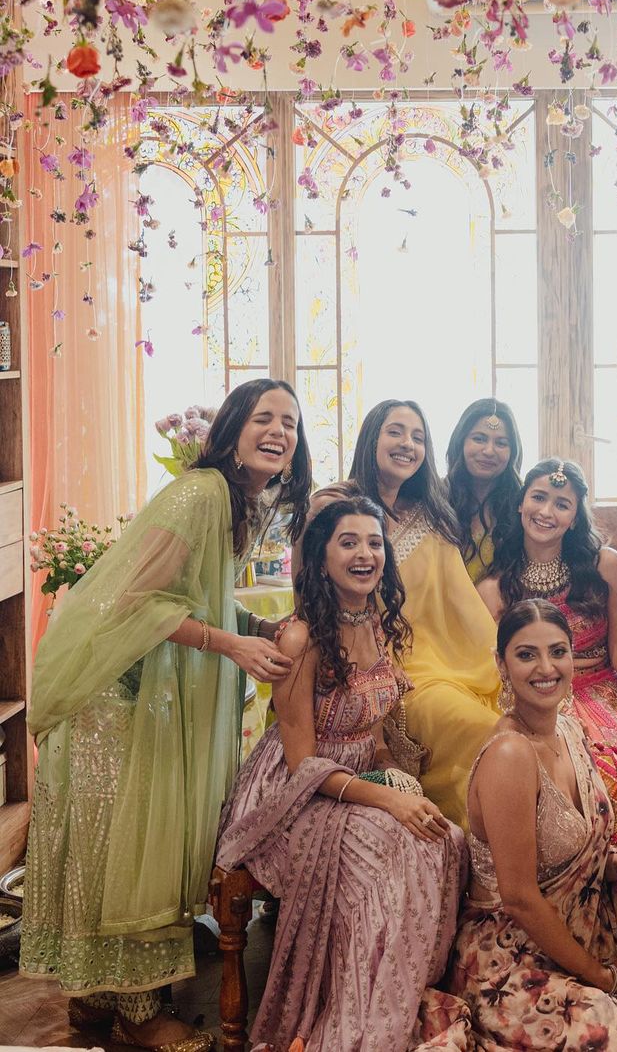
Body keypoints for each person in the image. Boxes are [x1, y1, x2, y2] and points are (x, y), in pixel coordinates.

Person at [21, 379, 312, 1052]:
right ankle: (140, 1012)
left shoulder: (238, 503)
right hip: (113, 696)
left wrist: (255, 628)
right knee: (132, 850)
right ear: (231, 431)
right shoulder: (200, 494)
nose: (279, 432)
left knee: (119, 847)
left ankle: (96, 1004)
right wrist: (229, 644)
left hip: (137, 693)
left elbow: (194, 595)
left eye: (290, 424)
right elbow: (135, 599)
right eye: (264, 418)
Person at [217, 497, 466, 1052]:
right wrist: (388, 802)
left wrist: (395, 778)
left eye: (374, 543)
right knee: (393, 858)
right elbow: (303, 765)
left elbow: (374, 737)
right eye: (348, 542)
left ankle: (401, 1001)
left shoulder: (378, 624)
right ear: (322, 556)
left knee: (446, 840)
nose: (364, 554)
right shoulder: (301, 637)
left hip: (357, 782)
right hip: (296, 796)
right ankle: (356, 1027)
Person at [415, 599, 617, 1050]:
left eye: (558, 651)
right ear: (501, 664)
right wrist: (605, 977)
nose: (546, 668)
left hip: (584, 932)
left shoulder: (568, 729)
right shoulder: (510, 755)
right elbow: (520, 899)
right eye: (527, 654)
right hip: (511, 957)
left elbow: (578, 850)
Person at [310, 399, 500, 828]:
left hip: (452, 661)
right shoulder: (335, 505)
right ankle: (484, 838)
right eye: (395, 432)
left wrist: (500, 657)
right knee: (480, 727)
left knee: (518, 716)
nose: (407, 445)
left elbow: (460, 605)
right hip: (379, 671)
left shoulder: (429, 514)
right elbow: (311, 597)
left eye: (418, 437)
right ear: (372, 438)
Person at [478, 458, 617, 864]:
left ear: (575, 517)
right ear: (520, 504)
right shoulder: (494, 589)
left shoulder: (604, 566)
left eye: (562, 504)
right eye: (539, 497)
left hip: (609, 690)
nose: (547, 511)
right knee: (574, 771)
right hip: (538, 699)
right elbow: (500, 670)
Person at [444, 398, 523, 583]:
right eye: (479, 439)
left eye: (501, 443)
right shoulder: (436, 500)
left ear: (513, 452)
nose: (489, 451)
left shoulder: (522, 506)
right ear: (461, 442)